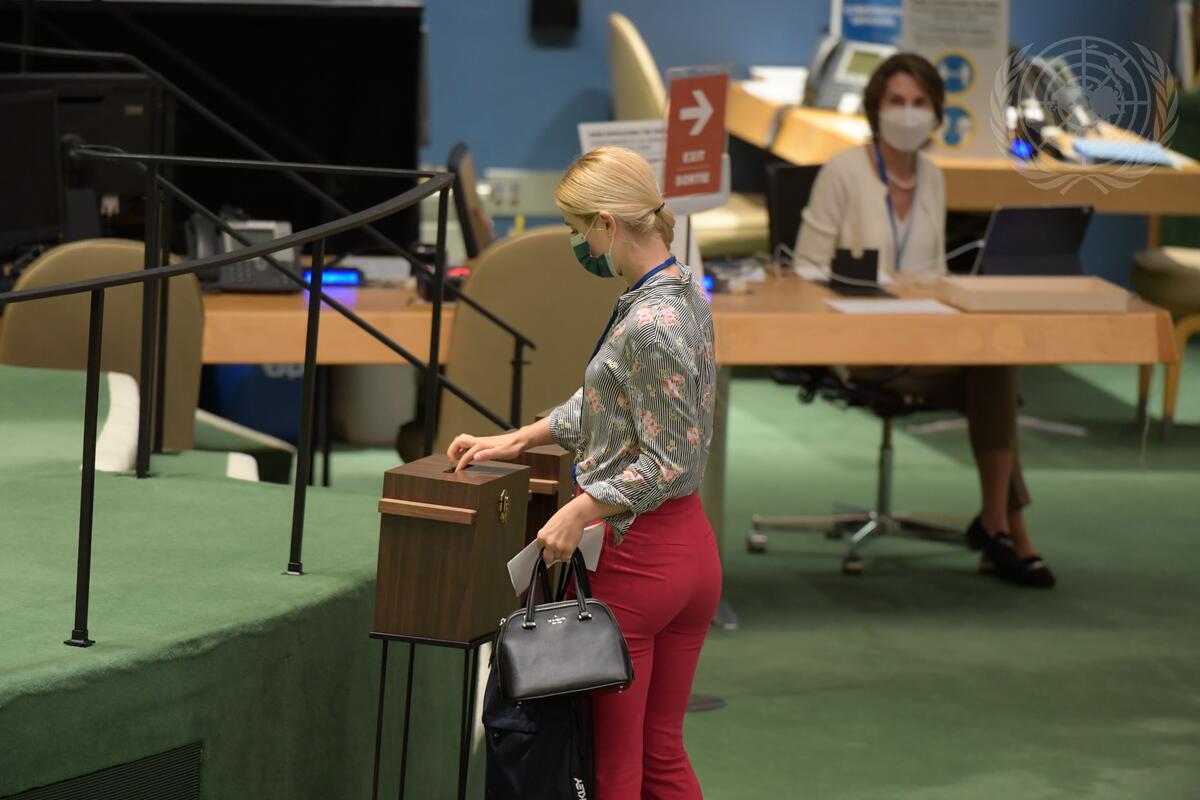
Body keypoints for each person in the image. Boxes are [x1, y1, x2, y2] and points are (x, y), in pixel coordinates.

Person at [447, 146, 722, 798]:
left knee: (612, 769)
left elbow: (670, 461)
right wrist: (518, 438)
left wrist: (581, 507)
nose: (578, 243)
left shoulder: (649, 325)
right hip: (692, 558)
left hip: (638, 566)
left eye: (577, 229)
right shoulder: (682, 290)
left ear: (606, 222)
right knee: (662, 754)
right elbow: (610, 400)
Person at [793, 53, 1055, 589]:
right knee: (995, 378)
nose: (908, 113)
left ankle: (998, 526)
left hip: (926, 341)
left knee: (994, 366)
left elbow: (933, 272)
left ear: (936, 113)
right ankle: (1005, 531)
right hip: (861, 343)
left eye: (919, 102)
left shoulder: (932, 177)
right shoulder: (844, 171)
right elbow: (804, 268)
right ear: (875, 107)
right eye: (896, 101)